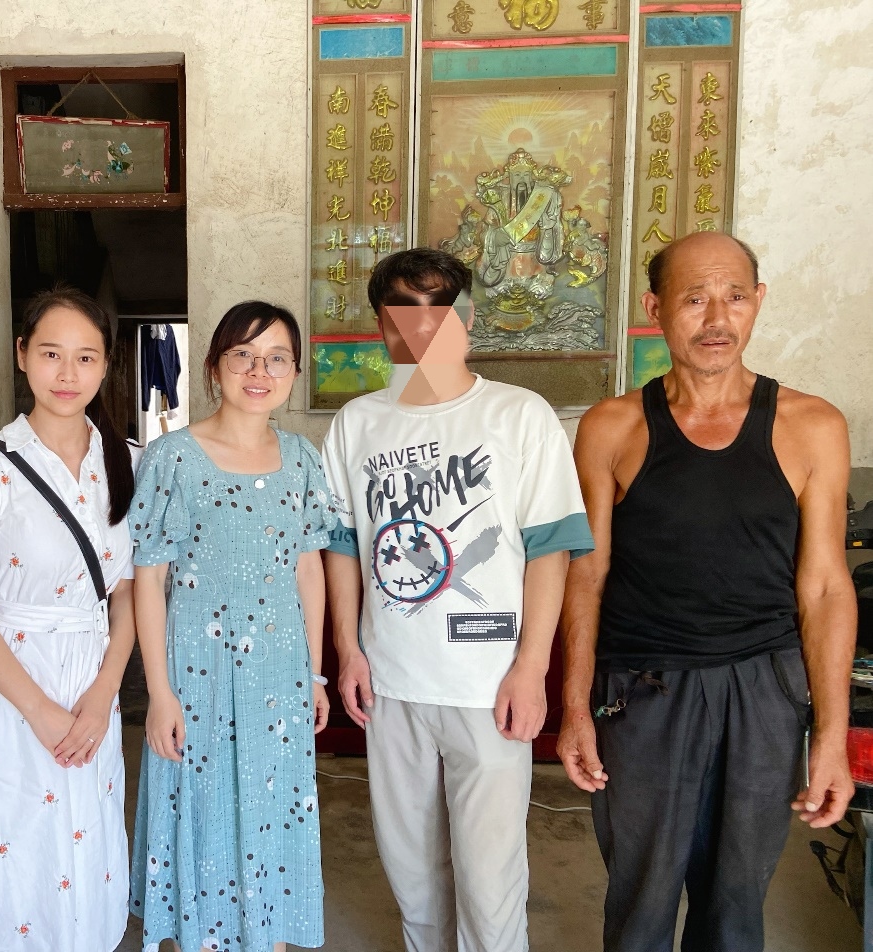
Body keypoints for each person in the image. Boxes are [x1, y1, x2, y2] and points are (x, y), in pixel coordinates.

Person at [557, 231, 857, 952]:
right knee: (641, 896)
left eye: (734, 296)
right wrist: (573, 707)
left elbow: (823, 586)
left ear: (758, 302)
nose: (716, 318)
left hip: (764, 689)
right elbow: (586, 571)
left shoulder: (812, 425)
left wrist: (831, 736)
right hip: (643, 688)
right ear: (655, 309)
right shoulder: (611, 426)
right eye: (694, 299)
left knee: (735, 901)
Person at [321, 247, 594, 952]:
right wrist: (348, 650)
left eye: (437, 310)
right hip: (391, 684)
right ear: (380, 327)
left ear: (466, 319)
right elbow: (343, 546)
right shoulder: (356, 423)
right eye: (402, 314)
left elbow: (550, 549)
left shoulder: (518, 415)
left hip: (488, 683)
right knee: (411, 874)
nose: (421, 328)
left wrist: (531, 669)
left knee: (489, 879)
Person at [0, 286, 139, 952]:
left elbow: (128, 595)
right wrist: (41, 711)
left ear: (106, 366)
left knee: (82, 856)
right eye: (51, 354)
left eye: (85, 357)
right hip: (9, 692)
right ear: (22, 355)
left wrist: (103, 696)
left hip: (91, 688)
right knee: (9, 855)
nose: (67, 374)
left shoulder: (127, 461)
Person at [129, 301, 333, 952]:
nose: (259, 371)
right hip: (197, 677)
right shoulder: (172, 458)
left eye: (276, 358)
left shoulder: (301, 458)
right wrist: (159, 693)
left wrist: (315, 674)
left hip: (280, 676)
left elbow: (308, 569)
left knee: (273, 811)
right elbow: (148, 580)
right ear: (214, 367)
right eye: (243, 355)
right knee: (203, 808)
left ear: (293, 372)